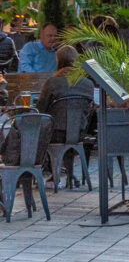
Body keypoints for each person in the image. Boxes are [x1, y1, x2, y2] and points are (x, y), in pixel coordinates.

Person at [37, 46, 93, 186]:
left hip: (56, 134)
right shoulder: (87, 84)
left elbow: (40, 110)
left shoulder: (52, 82)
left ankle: (46, 172)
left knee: (38, 132)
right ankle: (67, 174)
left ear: (58, 61)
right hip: (79, 133)